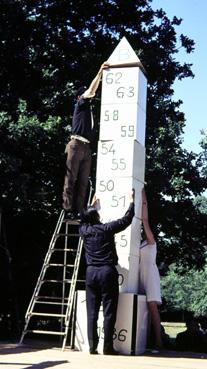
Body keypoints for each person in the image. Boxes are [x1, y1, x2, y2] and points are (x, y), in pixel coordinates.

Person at [79, 190, 135, 355]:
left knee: (92, 312)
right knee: (109, 311)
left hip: (90, 273)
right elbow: (126, 220)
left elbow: (83, 219)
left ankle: (91, 346)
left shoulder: (84, 231)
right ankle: (107, 347)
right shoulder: (106, 229)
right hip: (107, 272)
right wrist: (132, 201)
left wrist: (91, 204)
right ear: (97, 217)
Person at [62, 61, 109, 219]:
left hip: (86, 147)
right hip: (75, 144)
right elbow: (92, 89)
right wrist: (100, 73)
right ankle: (67, 209)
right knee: (71, 179)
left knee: (83, 182)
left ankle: (79, 211)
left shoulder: (88, 111)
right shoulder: (81, 103)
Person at [139, 188, 162, 352]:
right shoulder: (140, 244)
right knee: (143, 308)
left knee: (152, 307)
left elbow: (145, 220)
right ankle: (144, 340)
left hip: (151, 275)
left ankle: (159, 341)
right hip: (141, 274)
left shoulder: (151, 242)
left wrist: (142, 194)